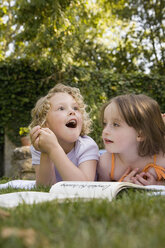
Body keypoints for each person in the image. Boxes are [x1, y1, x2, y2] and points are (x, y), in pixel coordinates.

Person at [29, 83, 99, 186]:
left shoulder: (87, 146)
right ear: (45, 123)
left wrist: (54, 149)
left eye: (75, 108)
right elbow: (44, 188)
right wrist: (45, 152)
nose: (72, 112)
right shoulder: (38, 146)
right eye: (61, 108)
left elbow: (84, 187)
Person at [97, 94, 165, 185]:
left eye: (116, 124)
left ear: (141, 134)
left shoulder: (161, 158)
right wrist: (120, 184)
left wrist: (157, 184)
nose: (105, 131)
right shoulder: (105, 163)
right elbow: (101, 190)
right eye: (105, 123)